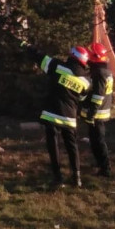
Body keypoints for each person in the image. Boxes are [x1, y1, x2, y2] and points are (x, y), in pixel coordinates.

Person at [24, 42, 92, 187]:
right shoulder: (86, 81)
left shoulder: (58, 67)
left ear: (72, 57)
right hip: (70, 118)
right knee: (72, 147)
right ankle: (77, 177)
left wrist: (27, 46)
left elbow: (40, 57)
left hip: (52, 114)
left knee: (53, 146)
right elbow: (81, 99)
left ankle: (58, 177)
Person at [82, 41, 114, 177]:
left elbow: (97, 96)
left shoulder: (99, 73)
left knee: (98, 141)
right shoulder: (105, 71)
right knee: (95, 139)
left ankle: (105, 168)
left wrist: (91, 114)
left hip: (97, 114)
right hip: (101, 111)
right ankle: (100, 162)